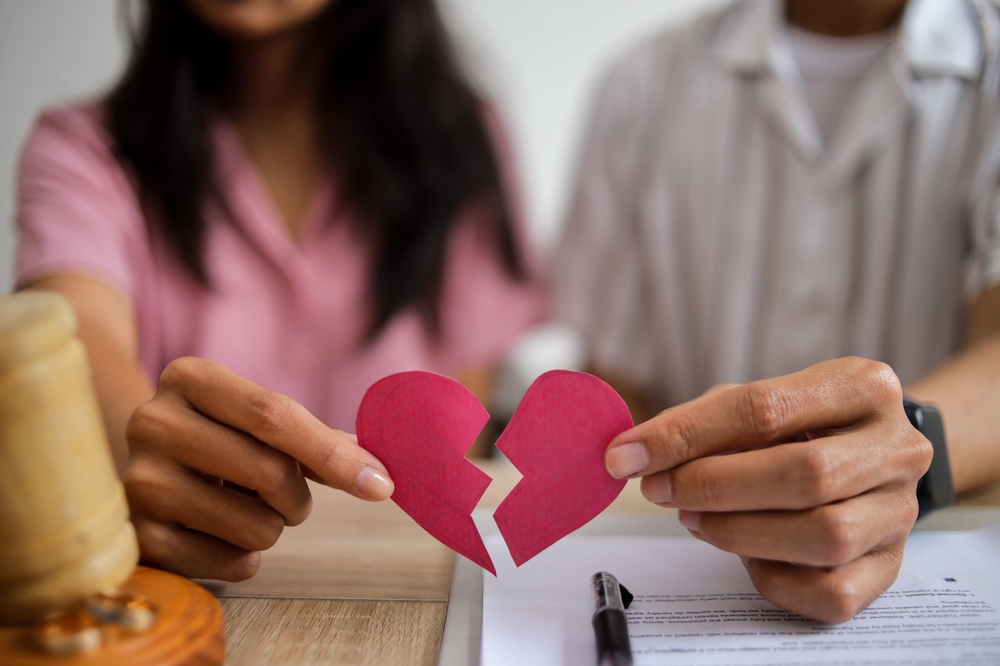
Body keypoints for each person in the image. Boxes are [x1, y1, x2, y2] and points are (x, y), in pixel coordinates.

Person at [14, 0, 545, 582]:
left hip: (405, 582)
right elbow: (74, 346)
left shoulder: (463, 140)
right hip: (190, 590)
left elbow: (459, 419)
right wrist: (134, 442)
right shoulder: (82, 150)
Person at [555, 0, 1000, 622]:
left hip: (938, 563)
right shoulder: (643, 82)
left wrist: (912, 450)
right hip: (694, 571)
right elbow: (616, 382)